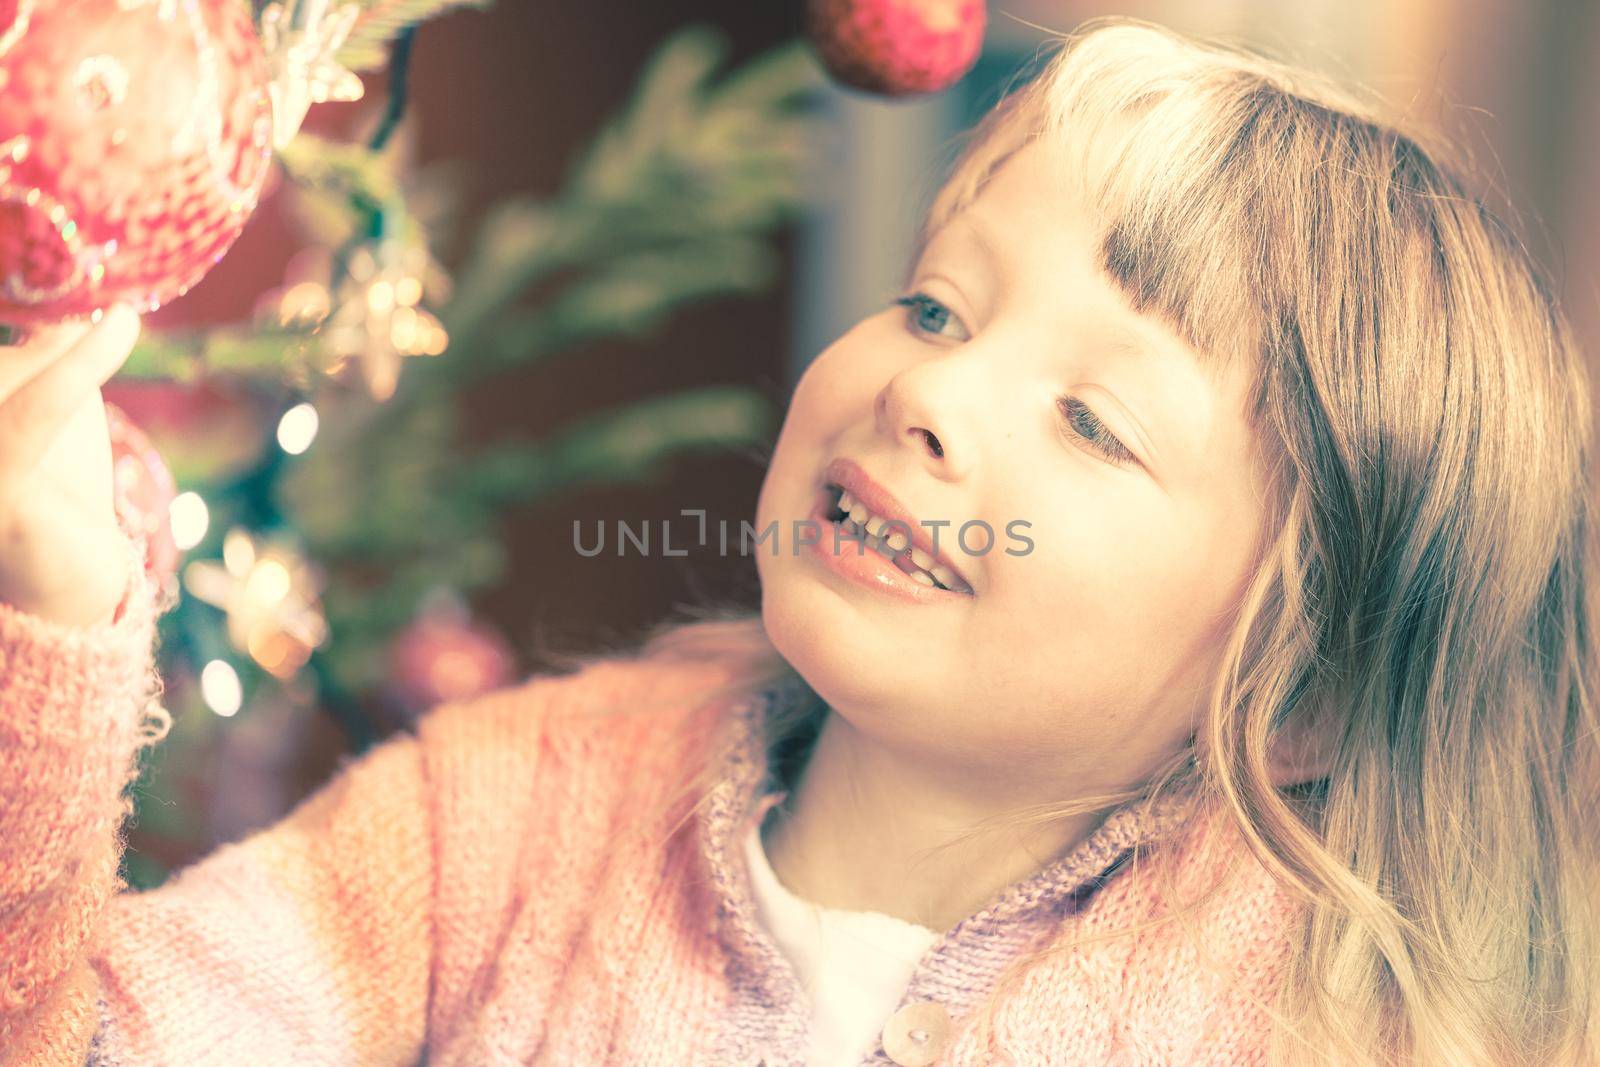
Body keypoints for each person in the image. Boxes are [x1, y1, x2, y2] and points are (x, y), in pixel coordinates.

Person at [2, 15, 1596, 1067]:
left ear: (1302, 694)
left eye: (1096, 420)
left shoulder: (1305, 1023)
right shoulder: (513, 815)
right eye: (935, 302)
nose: (931, 388)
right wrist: (52, 619)